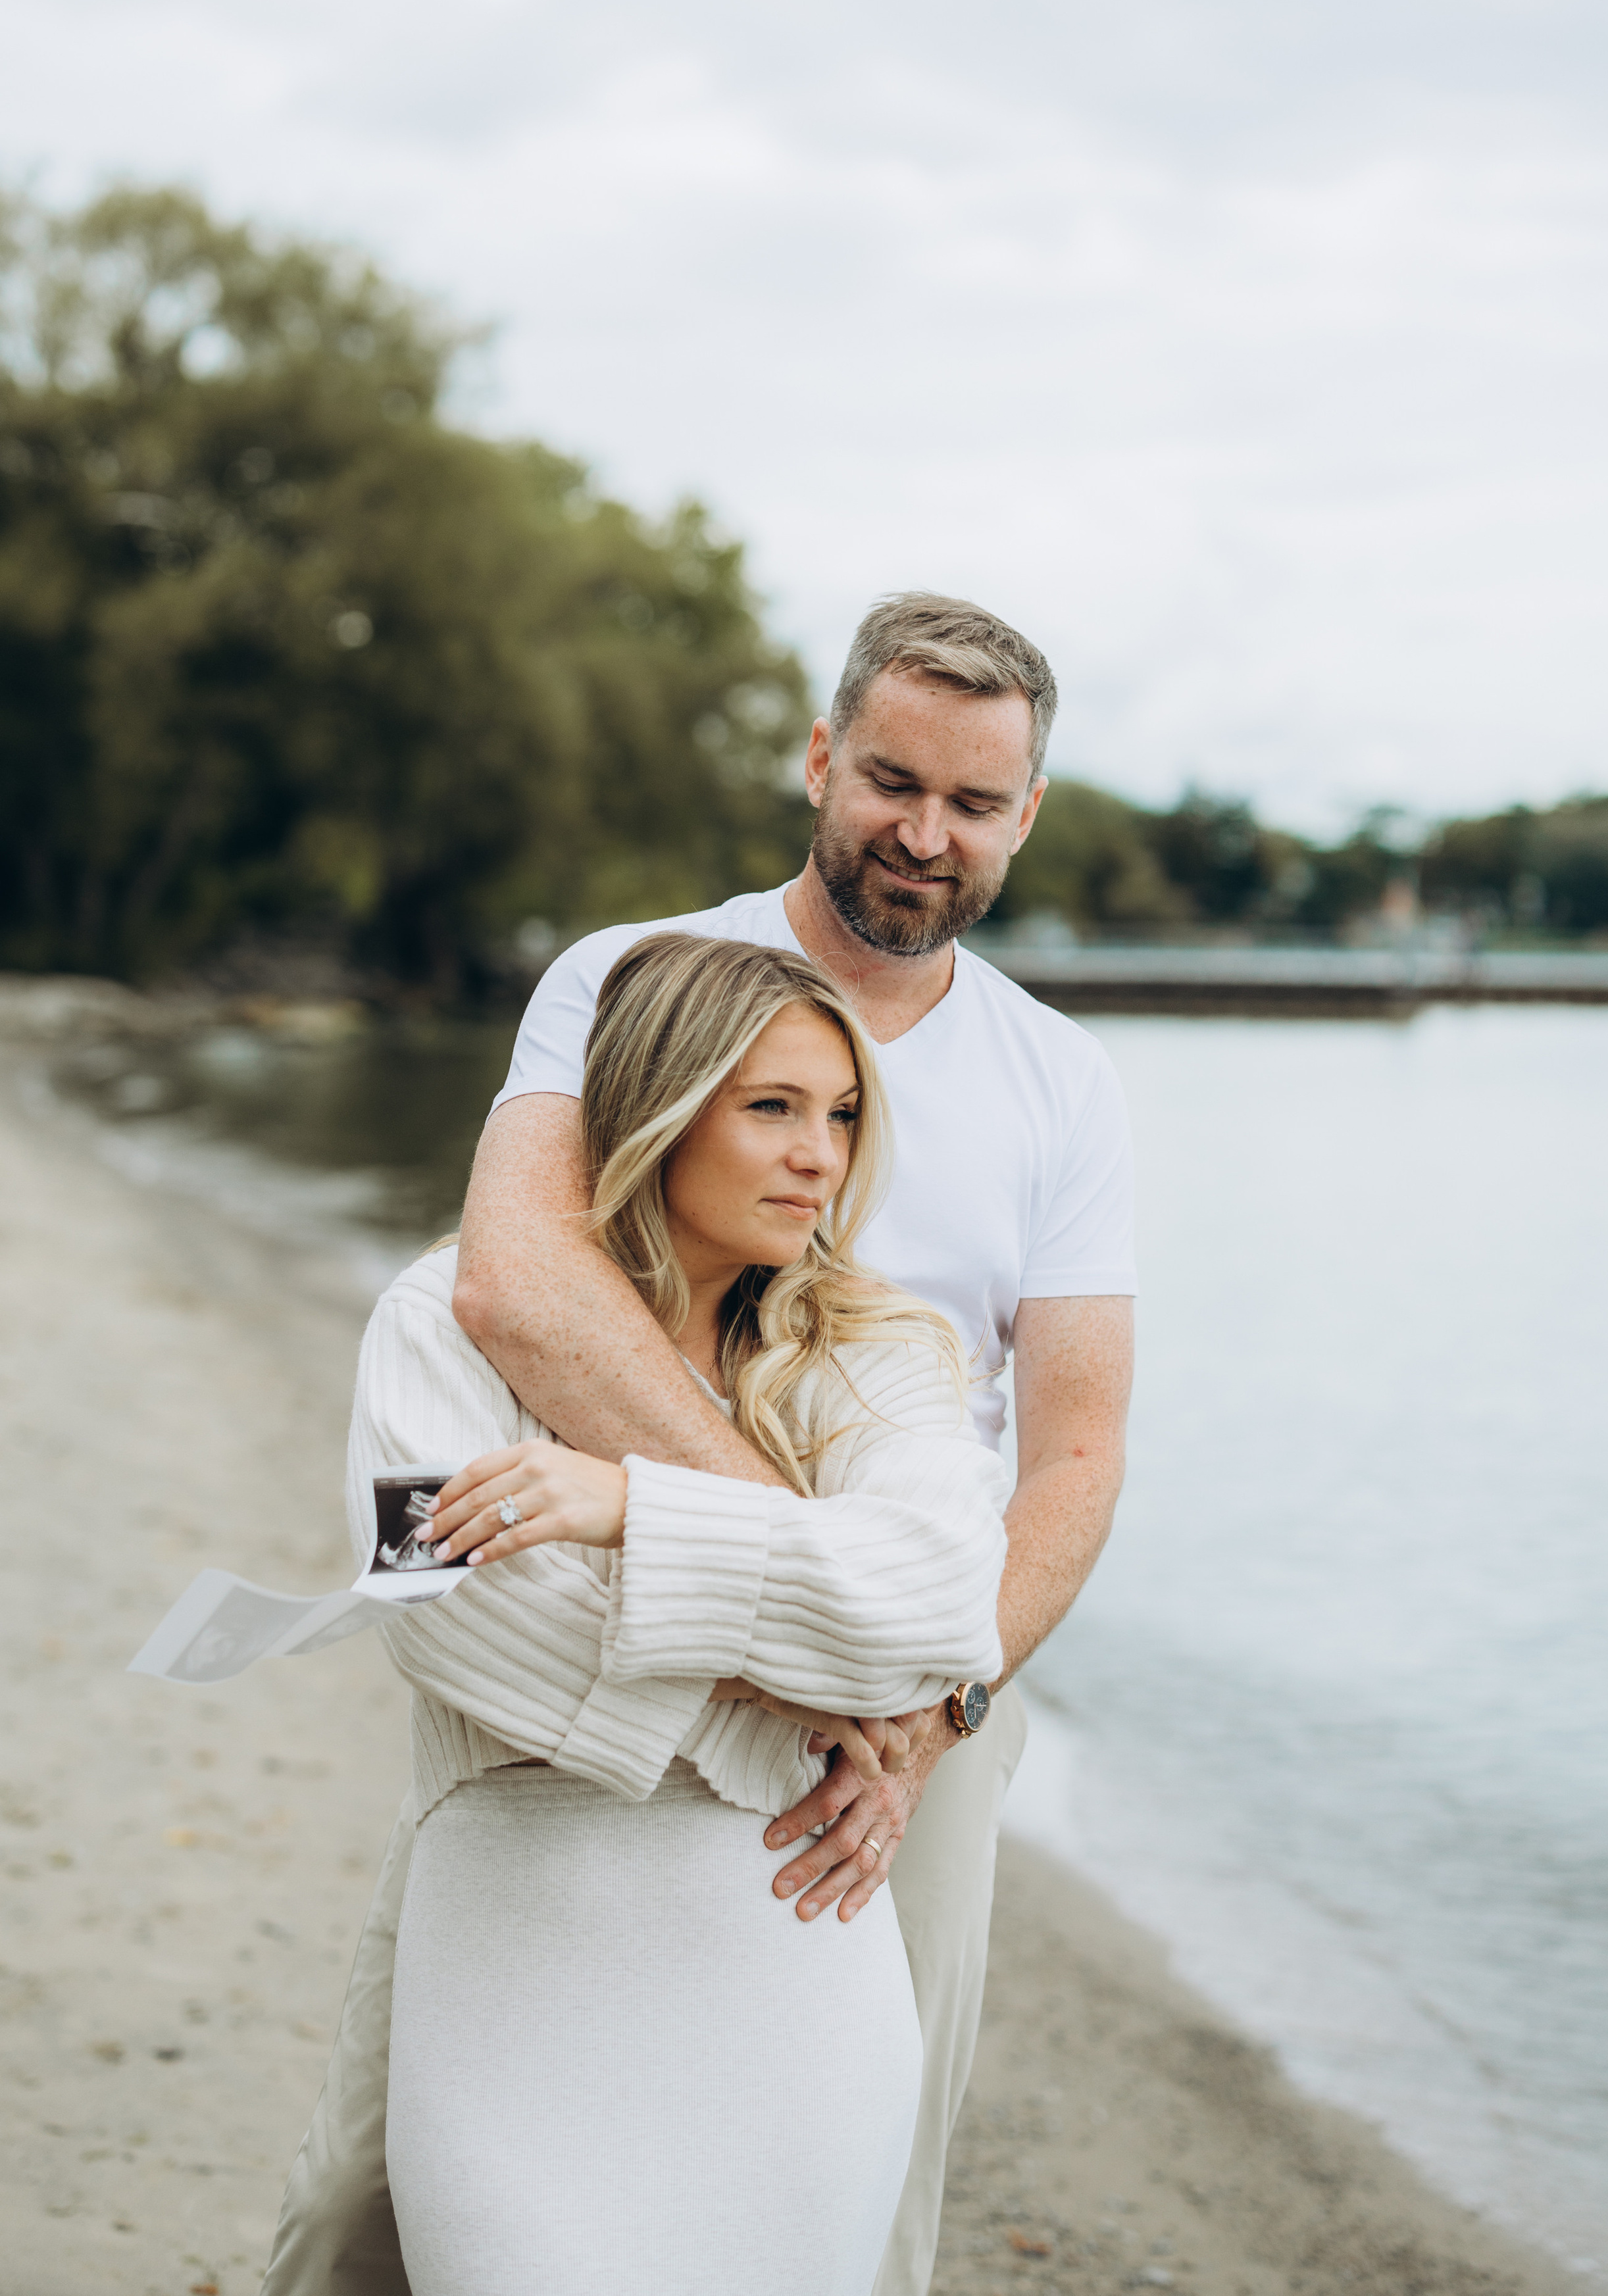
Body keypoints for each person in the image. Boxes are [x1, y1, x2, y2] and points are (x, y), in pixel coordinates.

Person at [263, 592, 1137, 2296]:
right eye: (891, 780)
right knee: (370, 2204)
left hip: (920, 1695)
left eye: (974, 802)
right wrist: (806, 1631)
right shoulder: (628, 979)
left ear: (1027, 814)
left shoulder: (1061, 1084)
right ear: (819, 757)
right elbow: (515, 1284)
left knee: (851, 2200)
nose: (924, 832)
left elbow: (1075, 1462)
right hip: (615, 1668)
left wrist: (924, 1710)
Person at [361, 932, 1009, 2294]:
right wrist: (811, 1681)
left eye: (843, 1116)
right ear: (658, 1108)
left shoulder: (881, 1347)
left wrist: (626, 1512)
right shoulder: (436, 1318)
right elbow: (440, 1618)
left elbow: (939, 1607)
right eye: (772, 1107)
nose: (819, 1157)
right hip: (510, 1965)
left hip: (794, 1953)